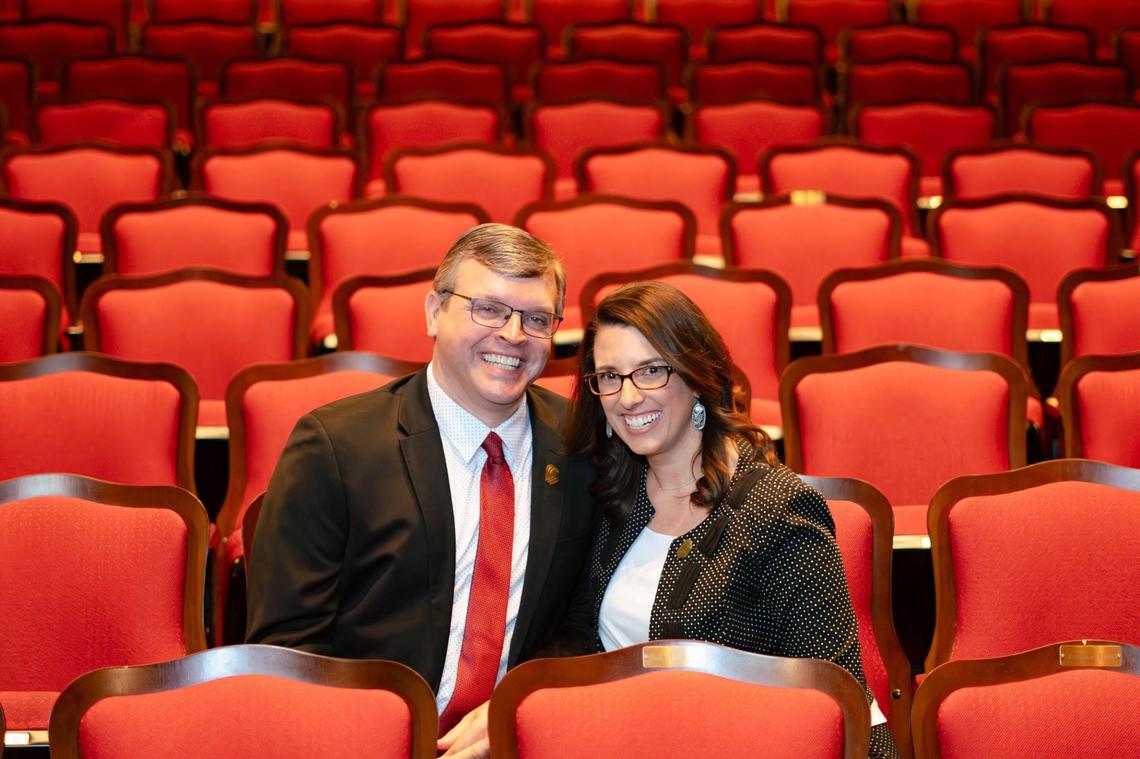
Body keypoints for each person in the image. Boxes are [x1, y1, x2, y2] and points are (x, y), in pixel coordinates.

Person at [246, 224, 596, 759]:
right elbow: (286, 651)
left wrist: (520, 707)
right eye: (488, 309)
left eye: (536, 319)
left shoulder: (580, 446)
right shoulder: (336, 447)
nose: (513, 334)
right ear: (434, 312)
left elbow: (583, 621)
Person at [555, 281, 900, 759]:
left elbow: (831, 699)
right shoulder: (614, 496)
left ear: (696, 376)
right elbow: (577, 635)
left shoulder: (777, 509)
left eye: (650, 371)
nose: (628, 398)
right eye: (610, 376)